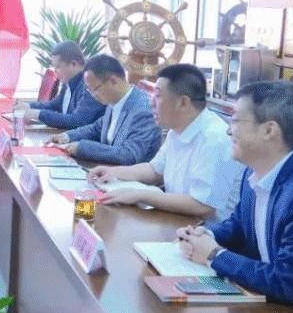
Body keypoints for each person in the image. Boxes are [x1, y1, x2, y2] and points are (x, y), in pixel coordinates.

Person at [178, 81, 293, 313]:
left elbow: (290, 282)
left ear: (269, 130)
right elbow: (240, 226)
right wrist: (203, 236)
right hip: (273, 309)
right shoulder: (256, 171)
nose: (228, 131)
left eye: (235, 121)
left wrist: (214, 254)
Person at [88, 63, 244, 221]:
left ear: (183, 102)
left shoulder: (215, 138)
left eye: (158, 95)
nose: (151, 102)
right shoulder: (176, 129)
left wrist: (139, 195)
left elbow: (202, 205)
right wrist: (112, 172)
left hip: (206, 230)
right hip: (179, 221)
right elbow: (154, 171)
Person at [49, 54, 162, 165]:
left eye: (95, 89)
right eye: (89, 90)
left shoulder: (143, 109)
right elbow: (97, 128)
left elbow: (130, 154)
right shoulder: (114, 100)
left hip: (131, 176)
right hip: (107, 171)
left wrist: (82, 147)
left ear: (113, 81)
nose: (93, 95)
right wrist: (67, 136)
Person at [13, 41, 104, 129]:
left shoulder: (90, 84)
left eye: (58, 67)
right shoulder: (69, 82)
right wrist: (28, 106)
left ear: (73, 64)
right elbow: (53, 106)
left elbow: (77, 121)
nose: (55, 71)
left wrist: (38, 114)